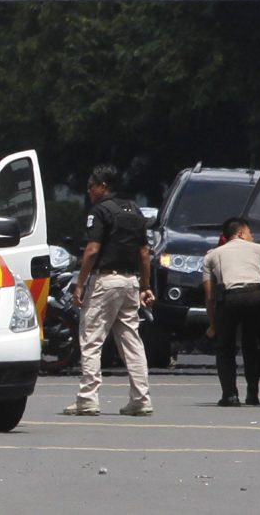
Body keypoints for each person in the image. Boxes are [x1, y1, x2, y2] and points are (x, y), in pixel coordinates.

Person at [63, 164, 155, 417]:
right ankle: (141, 398)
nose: (89, 191)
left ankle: (88, 399)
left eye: (92, 186)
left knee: (91, 339)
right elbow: (144, 253)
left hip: (106, 281)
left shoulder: (101, 211)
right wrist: (146, 286)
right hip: (130, 282)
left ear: (103, 186)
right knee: (131, 341)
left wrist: (80, 284)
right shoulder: (134, 211)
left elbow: (92, 250)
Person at [203, 218, 260, 407]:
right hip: (256, 295)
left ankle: (230, 395)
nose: (253, 236)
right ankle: (253, 394)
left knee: (225, 348)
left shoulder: (212, 255)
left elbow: (209, 296)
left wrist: (213, 325)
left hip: (230, 297)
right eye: (250, 232)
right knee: (251, 345)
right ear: (241, 233)